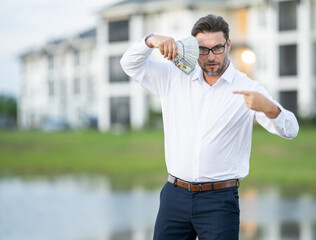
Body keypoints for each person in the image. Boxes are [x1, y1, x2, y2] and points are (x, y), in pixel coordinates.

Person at [120, 14, 299, 240]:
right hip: (174, 197)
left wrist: (270, 108)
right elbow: (129, 64)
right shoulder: (173, 77)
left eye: (218, 48)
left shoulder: (248, 87)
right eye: (203, 50)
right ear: (195, 48)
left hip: (219, 202)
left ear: (228, 45)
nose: (211, 57)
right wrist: (150, 41)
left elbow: (291, 130)